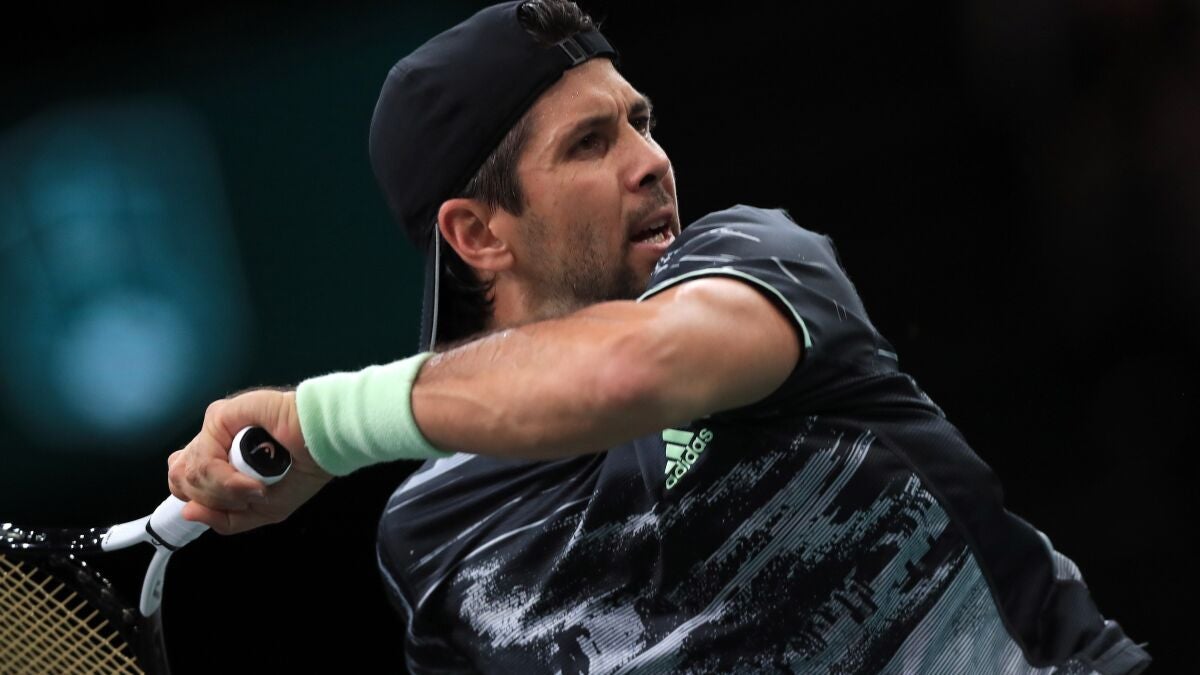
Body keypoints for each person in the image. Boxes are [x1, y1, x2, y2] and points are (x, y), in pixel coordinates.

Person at [166, 1, 1152, 673]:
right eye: (590, 144)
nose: (651, 161)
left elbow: (631, 371)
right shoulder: (430, 536)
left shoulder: (757, 261)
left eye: (640, 121)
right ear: (478, 235)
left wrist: (326, 424)